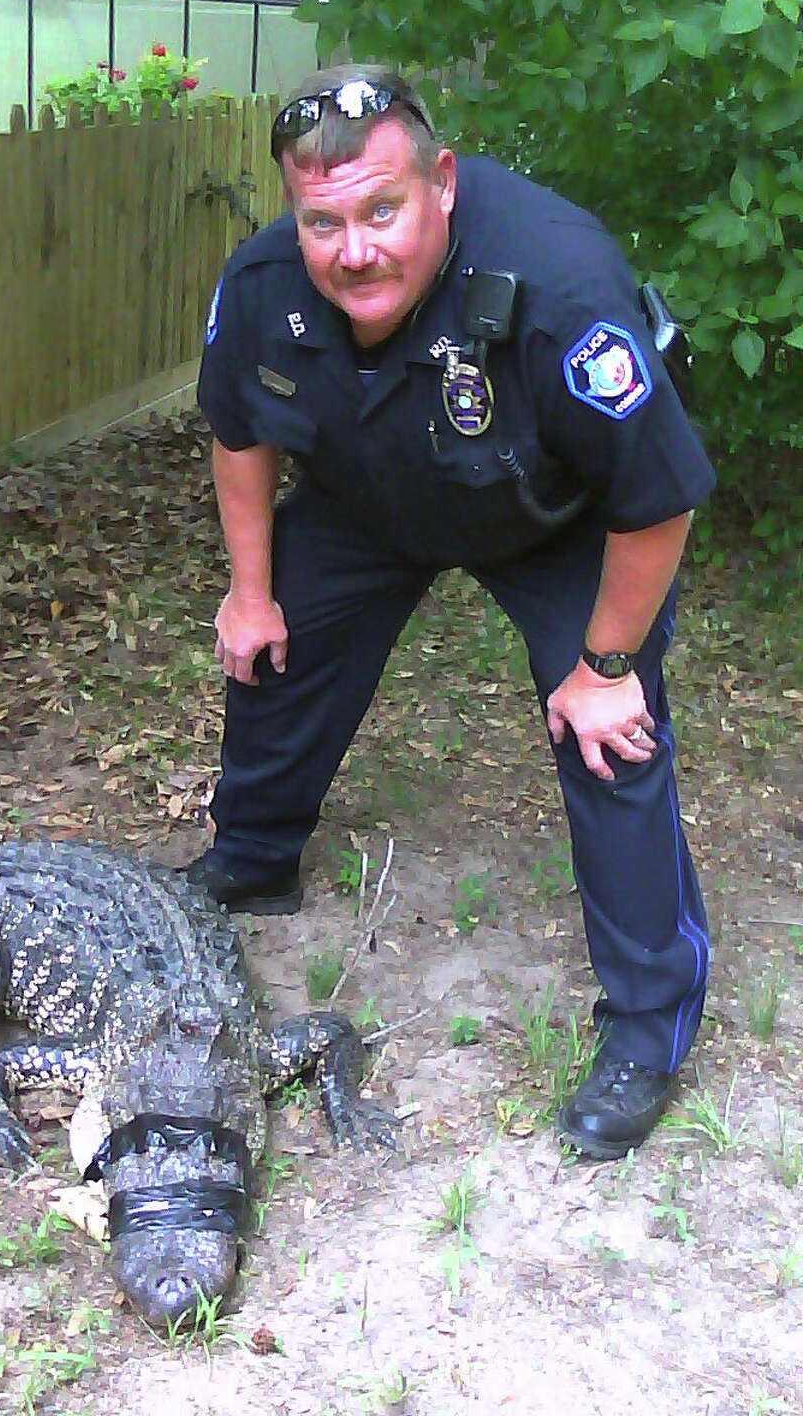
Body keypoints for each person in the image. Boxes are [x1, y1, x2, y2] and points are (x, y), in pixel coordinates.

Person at [187, 64, 714, 1160]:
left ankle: (648, 1022)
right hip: (372, 494)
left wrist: (606, 661)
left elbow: (658, 491)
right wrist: (248, 590)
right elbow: (239, 428)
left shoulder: (561, 285)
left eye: (383, 209)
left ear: (444, 182)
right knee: (279, 624)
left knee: (606, 727)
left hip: (550, 512)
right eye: (323, 219)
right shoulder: (263, 281)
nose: (354, 249)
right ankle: (252, 854)